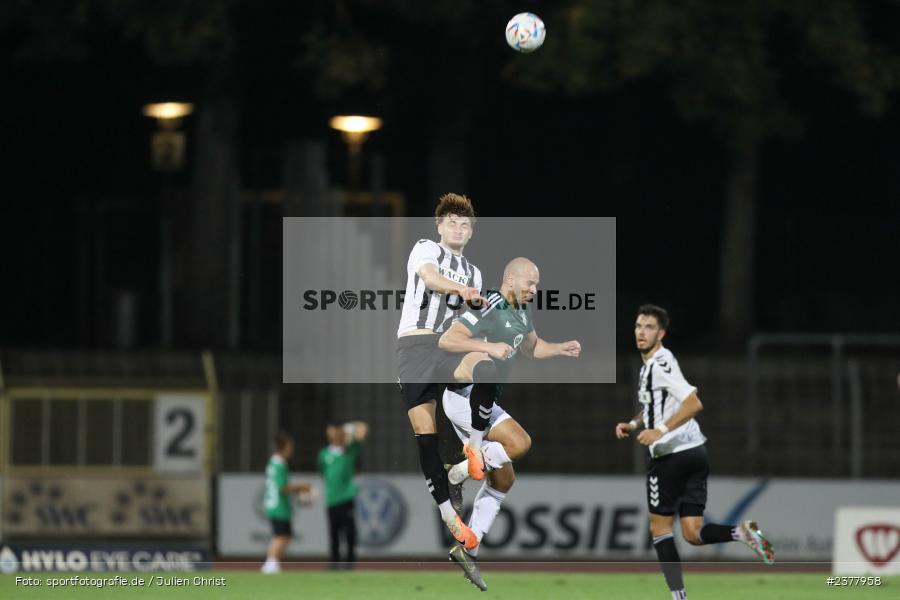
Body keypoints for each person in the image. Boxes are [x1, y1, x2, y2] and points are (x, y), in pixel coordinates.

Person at [438, 257, 581, 591]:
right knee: (519, 443)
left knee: (503, 479)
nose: (535, 289)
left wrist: (560, 348)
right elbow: (449, 339)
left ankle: (467, 548)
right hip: (463, 396)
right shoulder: (491, 304)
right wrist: (486, 346)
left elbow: (532, 348)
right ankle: (456, 473)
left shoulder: (521, 312)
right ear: (510, 279)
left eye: (537, 284)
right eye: (530, 283)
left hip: (484, 401)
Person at [615, 304, 775, 600]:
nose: (641, 332)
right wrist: (635, 423)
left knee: (659, 530)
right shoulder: (653, 363)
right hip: (695, 452)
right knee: (692, 532)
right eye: (638, 326)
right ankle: (743, 533)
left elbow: (693, 403)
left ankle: (679, 597)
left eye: (649, 327)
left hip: (670, 456)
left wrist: (659, 431)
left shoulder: (659, 365)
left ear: (661, 333)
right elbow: (655, 405)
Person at [396, 193, 486, 550]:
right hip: (414, 347)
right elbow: (430, 278)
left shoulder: (475, 271)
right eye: (452, 222)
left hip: (447, 346)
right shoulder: (425, 248)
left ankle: (471, 455)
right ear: (439, 226)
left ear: (471, 232)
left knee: (484, 366)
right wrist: (463, 291)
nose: (458, 228)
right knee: (425, 433)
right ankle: (450, 515)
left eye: (465, 225)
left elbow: (469, 318)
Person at [318, 421, 368, 569]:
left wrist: (350, 427)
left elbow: (363, 430)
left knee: (349, 533)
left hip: (347, 498)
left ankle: (350, 563)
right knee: (333, 534)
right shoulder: (323, 454)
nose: (332, 435)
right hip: (331, 499)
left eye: (335, 431)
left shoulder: (350, 451)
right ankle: (333, 563)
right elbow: (322, 473)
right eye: (330, 432)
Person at [261, 432, 314, 574]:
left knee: (282, 536)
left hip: (273, 504)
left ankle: (273, 563)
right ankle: (270, 564)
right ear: (283, 447)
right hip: (279, 506)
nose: (291, 450)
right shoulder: (279, 464)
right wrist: (301, 487)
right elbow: (282, 487)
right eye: (290, 447)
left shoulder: (273, 462)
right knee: (282, 536)